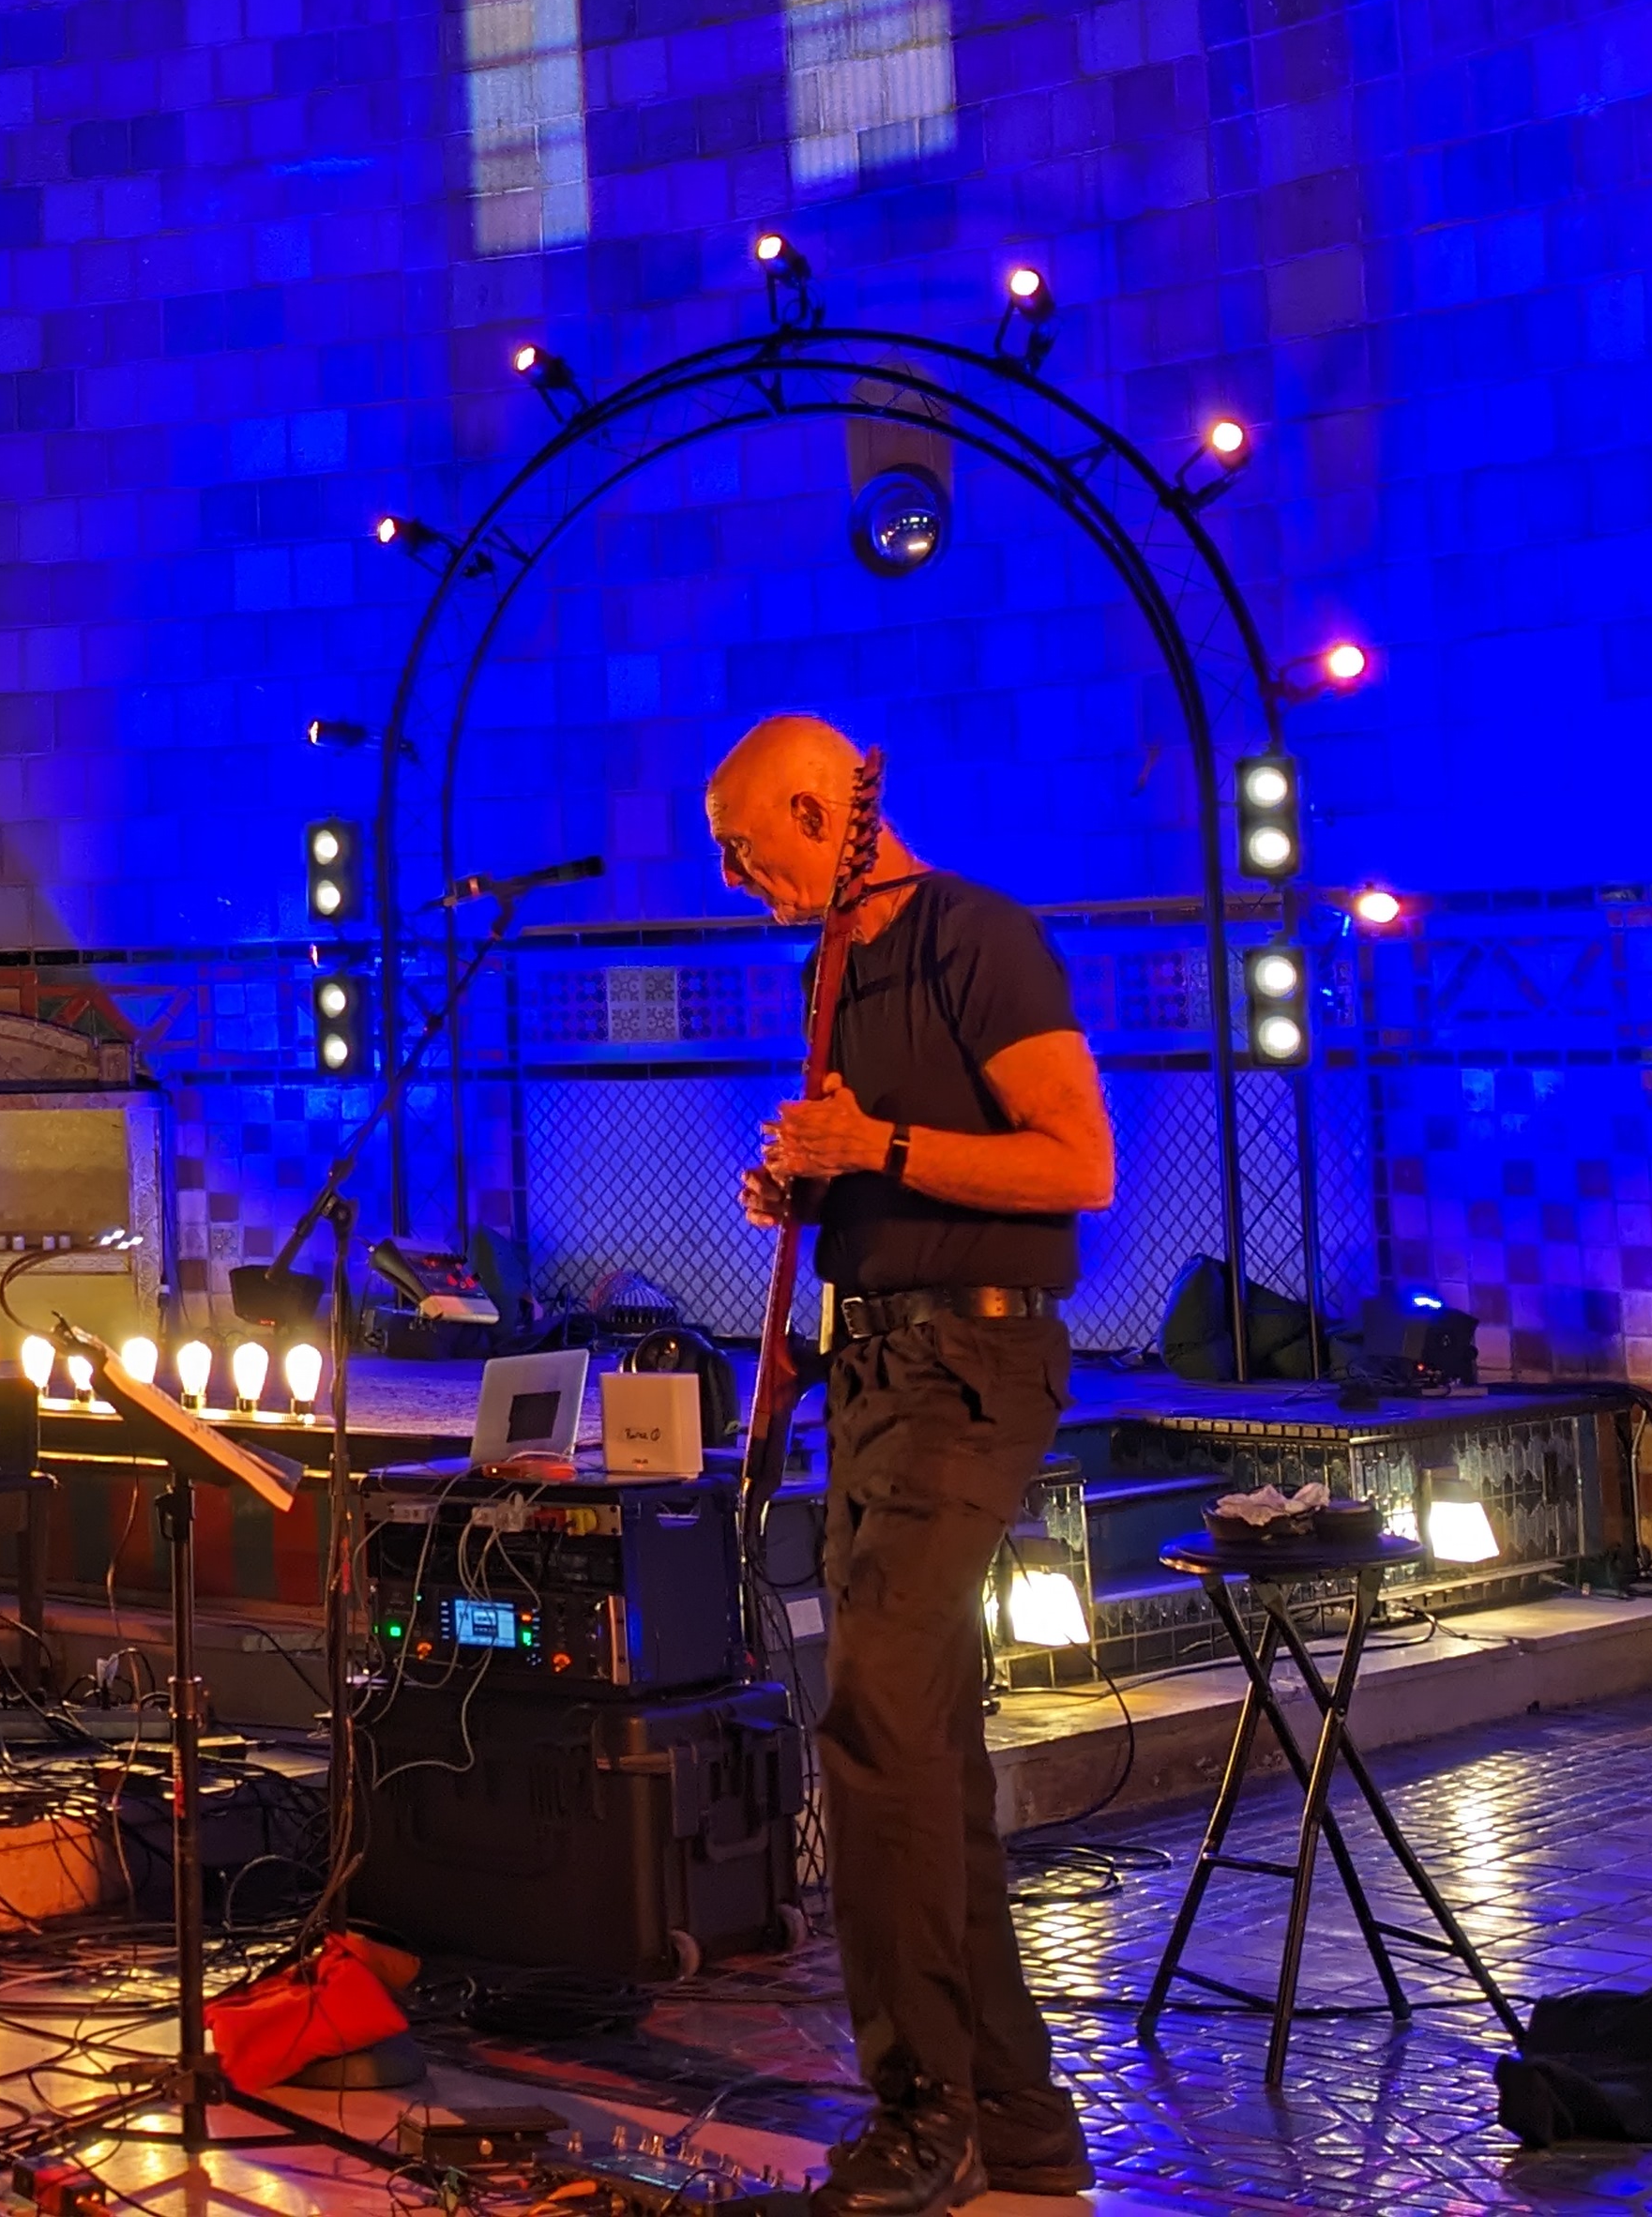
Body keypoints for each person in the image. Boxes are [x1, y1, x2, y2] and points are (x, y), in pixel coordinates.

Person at [710, 714, 1113, 2216]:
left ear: (824, 814)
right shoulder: (833, 967)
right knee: (926, 1753)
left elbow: (1078, 1161)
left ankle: (918, 2108)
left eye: (749, 849)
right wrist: (804, 1183)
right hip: (873, 1376)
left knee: (877, 1718)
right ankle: (1015, 2118)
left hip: (973, 1368)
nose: (737, 880)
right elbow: (874, 1157)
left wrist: (872, 1150)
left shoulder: (974, 935)